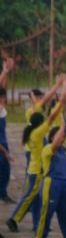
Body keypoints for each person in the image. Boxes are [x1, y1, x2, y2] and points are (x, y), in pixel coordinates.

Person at [7, 79, 66, 233]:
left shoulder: (31, 131)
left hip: (37, 167)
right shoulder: (38, 132)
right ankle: (13, 218)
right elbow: (51, 118)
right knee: (30, 195)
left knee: (36, 197)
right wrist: (60, 103)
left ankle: (37, 224)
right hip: (36, 169)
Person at [0, 58, 14, 204]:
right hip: (0, 143)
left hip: (3, 140)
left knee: (5, 170)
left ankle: (2, 192)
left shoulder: (2, 108)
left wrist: (6, 71)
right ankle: (2, 193)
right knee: (4, 169)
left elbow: (2, 85)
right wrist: (4, 71)